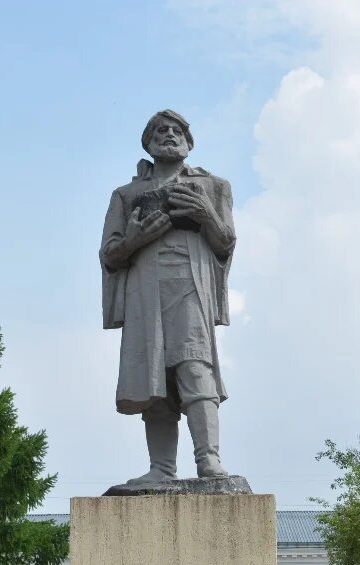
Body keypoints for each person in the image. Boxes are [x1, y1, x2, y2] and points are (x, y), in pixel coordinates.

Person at [101, 109, 237, 486]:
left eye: (177, 130)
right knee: (153, 378)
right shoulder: (126, 195)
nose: (169, 135)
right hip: (144, 291)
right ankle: (162, 468)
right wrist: (137, 238)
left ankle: (209, 461)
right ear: (148, 142)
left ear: (189, 143)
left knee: (195, 368)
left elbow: (225, 243)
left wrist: (206, 214)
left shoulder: (214, 187)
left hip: (191, 286)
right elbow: (110, 254)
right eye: (160, 130)